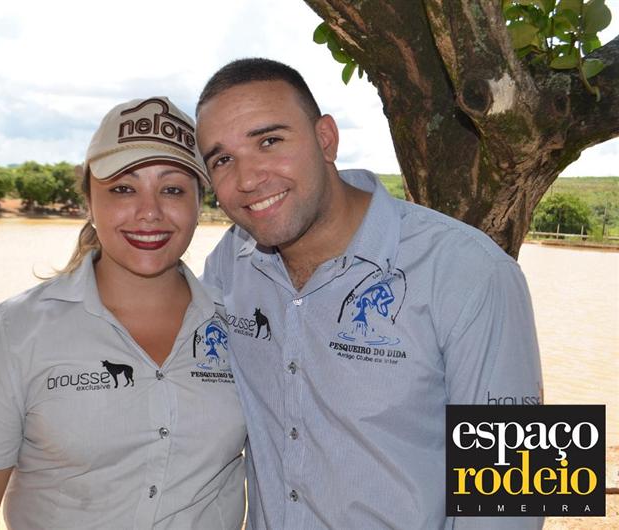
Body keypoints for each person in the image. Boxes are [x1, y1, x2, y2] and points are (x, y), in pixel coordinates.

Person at [196, 58, 543, 529]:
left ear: (326, 139)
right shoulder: (230, 263)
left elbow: (519, 496)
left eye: (269, 141)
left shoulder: (477, 271)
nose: (247, 179)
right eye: (222, 159)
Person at [0, 96, 247, 530]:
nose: (149, 212)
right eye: (123, 189)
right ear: (89, 202)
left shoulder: (241, 327)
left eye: (172, 189)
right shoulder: (16, 330)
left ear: (199, 203)